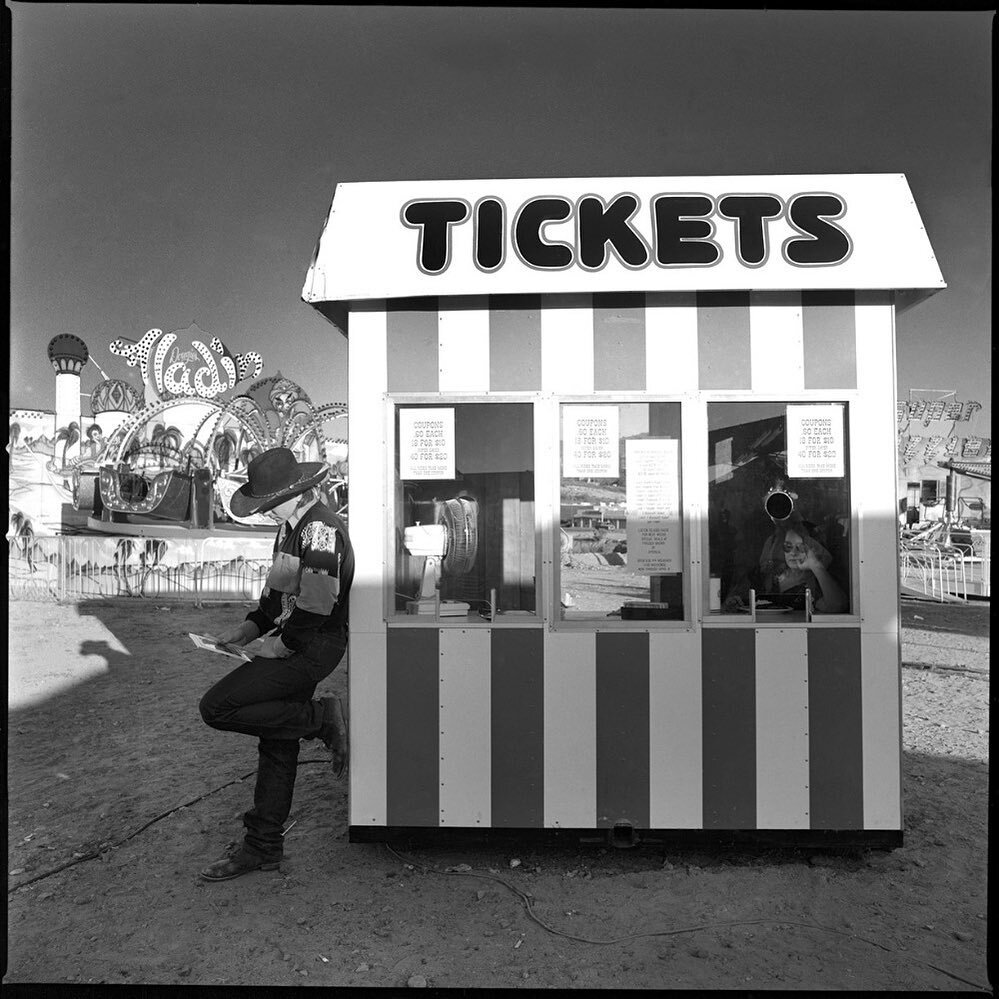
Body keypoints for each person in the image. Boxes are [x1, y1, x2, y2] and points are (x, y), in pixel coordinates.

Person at [198, 447, 354, 881]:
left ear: (283, 496)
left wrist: (279, 646)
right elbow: (276, 597)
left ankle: (321, 717)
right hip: (302, 642)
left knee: (218, 706)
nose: (264, 511)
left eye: (265, 504)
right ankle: (263, 846)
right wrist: (247, 631)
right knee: (277, 738)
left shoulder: (319, 529)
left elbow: (318, 605)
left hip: (311, 646)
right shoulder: (294, 526)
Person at [723, 513, 848, 614]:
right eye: (788, 547)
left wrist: (816, 566)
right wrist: (733, 604)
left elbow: (836, 606)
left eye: (800, 547)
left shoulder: (815, 582)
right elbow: (734, 605)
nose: (793, 553)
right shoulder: (763, 577)